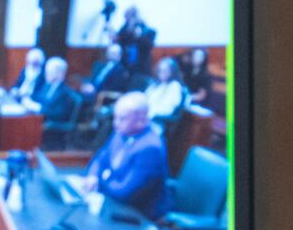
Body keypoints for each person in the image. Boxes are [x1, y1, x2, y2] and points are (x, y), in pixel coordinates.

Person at [78, 91, 170, 220]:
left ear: (141, 120)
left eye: (122, 118)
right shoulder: (122, 132)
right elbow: (100, 158)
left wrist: (99, 182)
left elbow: (125, 192)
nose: (116, 123)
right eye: (116, 117)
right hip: (113, 200)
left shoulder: (150, 148)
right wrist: (92, 176)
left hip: (137, 215)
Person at [143, 57, 188, 125]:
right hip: (145, 115)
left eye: (166, 70)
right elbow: (144, 99)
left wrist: (150, 113)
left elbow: (168, 109)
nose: (162, 73)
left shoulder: (174, 86)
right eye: (161, 70)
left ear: (172, 72)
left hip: (157, 121)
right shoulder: (155, 84)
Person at [179, 47, 218, 111]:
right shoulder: (188, 69)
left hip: (198, 104)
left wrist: (187, 98)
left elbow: (201, 96)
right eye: (195, 56)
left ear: (204, 58)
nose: (197, 58)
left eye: (200, 56)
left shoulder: (206, 75)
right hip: (185, 100)